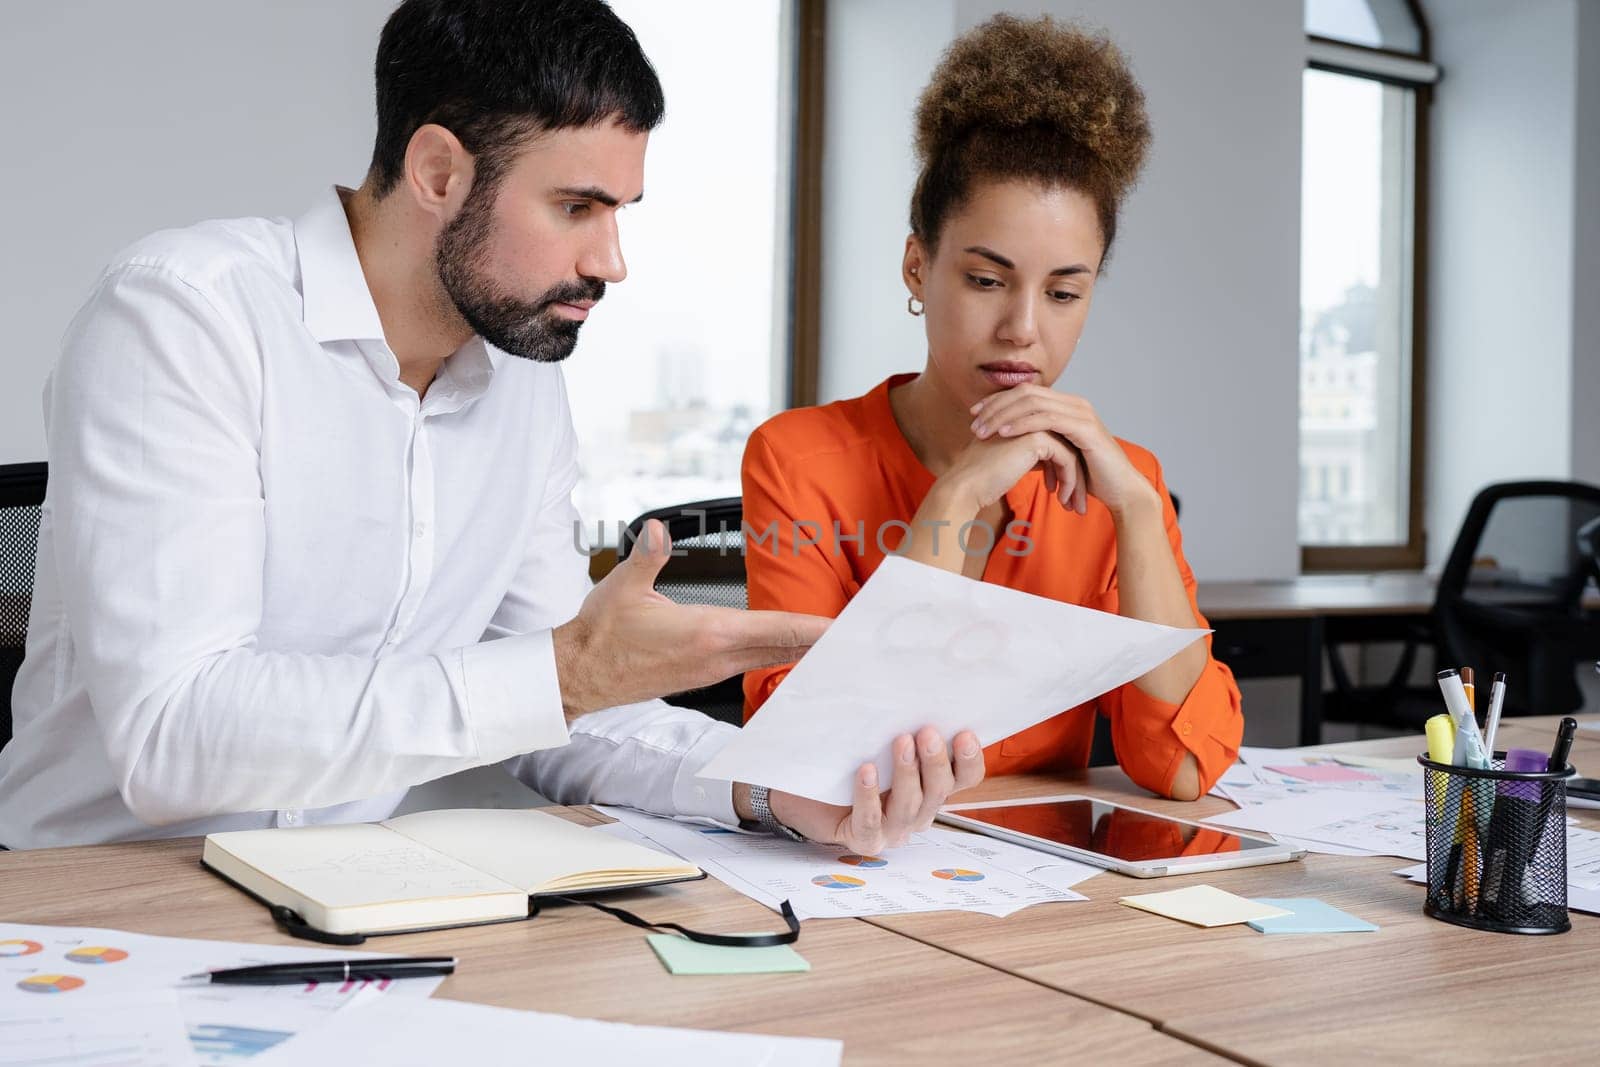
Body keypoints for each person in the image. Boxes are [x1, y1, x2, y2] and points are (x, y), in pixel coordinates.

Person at [0, 0, 982, 852]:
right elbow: (175, 734)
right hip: (100, 898)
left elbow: (566, 714)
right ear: (436, 170)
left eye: (620, 209)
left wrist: (771, 786)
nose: (612, 260)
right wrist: (561, 671)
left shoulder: (521, 389)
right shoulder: (183, 314)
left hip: (354, 904)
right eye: (574, 206)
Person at [742, 15, 1242, 801]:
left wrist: (1140, 513)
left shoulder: (1122, 483)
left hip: (1040, 897)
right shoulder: (798, 459)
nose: (1023, 329)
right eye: (985, 279)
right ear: (918, 266)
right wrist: (958, 494)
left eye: (1065, 292)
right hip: (850, 885)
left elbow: (1180, 766)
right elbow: (814, 761)